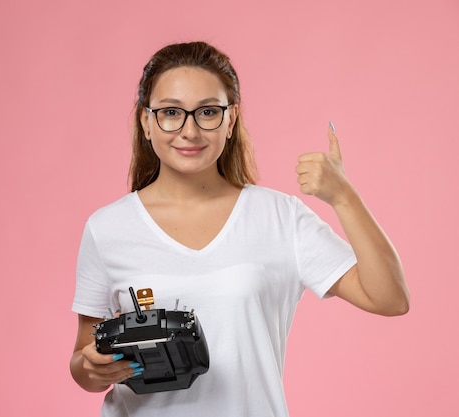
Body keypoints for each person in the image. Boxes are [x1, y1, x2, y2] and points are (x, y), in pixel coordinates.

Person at [69, 41, 410, 417]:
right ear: (146, 122)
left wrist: (344, 197)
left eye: (208, 112)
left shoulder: (279, 217)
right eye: (170, 112)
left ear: (230, 120)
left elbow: (390, 298)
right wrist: (93, 368)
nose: (190, 130)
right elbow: (83, 363)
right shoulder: (107, 228)